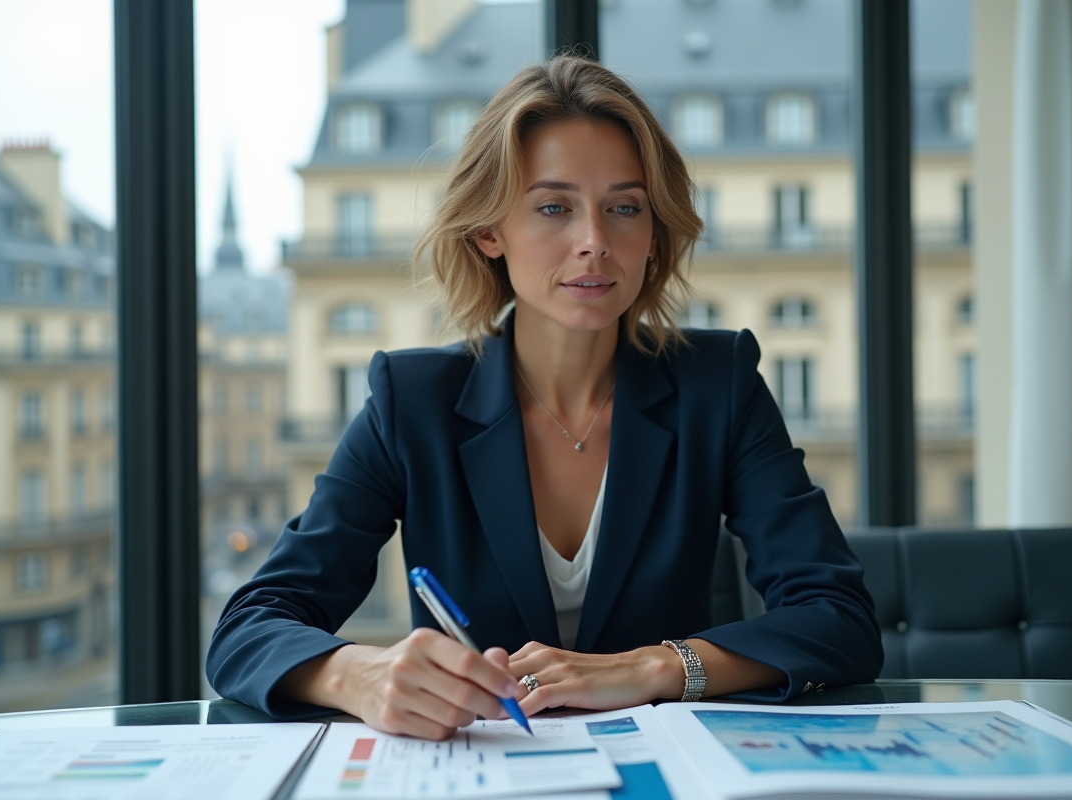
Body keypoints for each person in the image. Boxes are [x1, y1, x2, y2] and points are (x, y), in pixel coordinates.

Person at [206, 55, 881, 741]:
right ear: (488, 231)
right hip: (475, 775)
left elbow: (838, 617)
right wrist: (359, 675)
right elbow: (249, 628)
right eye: (554, 207)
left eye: (624, 208)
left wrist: (654, 667)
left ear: (653, 235)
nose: (594, 242)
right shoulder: (411, 401)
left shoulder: (718, 382)